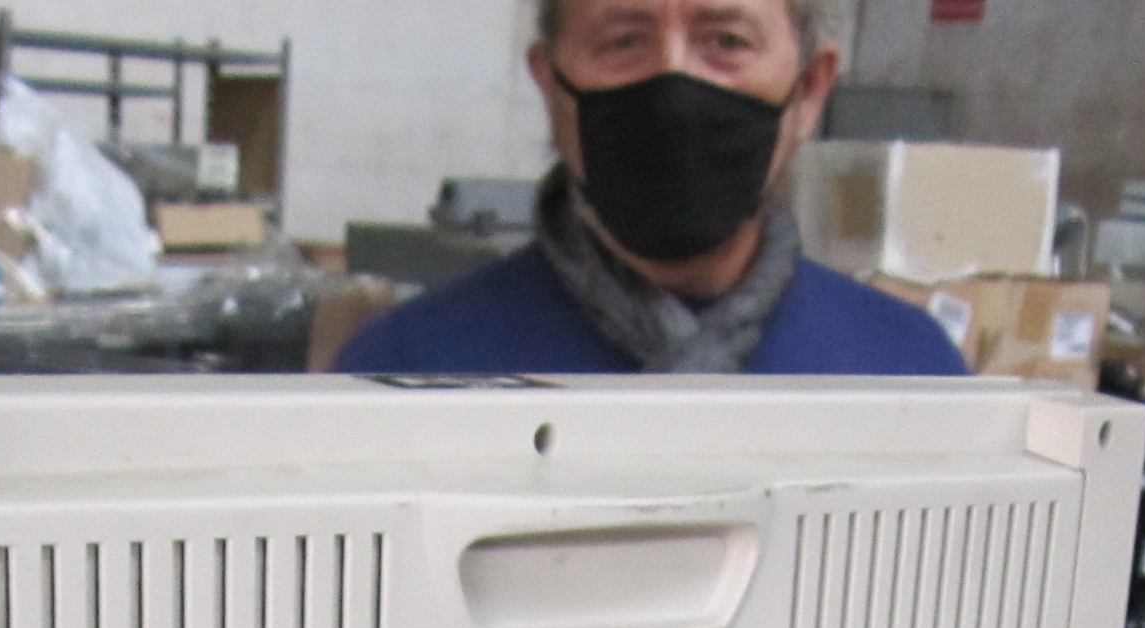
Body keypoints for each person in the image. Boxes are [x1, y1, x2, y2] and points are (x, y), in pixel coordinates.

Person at [336, 0, 967, 379]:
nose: (673, 88)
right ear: (550, 85)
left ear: (809, 89)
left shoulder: (911, 373)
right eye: (625, 41)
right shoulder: (407, 372)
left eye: (726, 41)